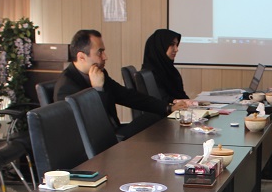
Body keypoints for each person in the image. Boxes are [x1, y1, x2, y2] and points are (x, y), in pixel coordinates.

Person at [54, 29, 188, 139]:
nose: (105, 56)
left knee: (154, 117)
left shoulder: (99, 73)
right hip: (97, 141)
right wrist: (97, 90)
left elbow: (128, 96)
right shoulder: (66, 87)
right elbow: (90, 124)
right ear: (81, 57)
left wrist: (167, 107)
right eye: (100, 52)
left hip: (113, 131)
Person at [141, 28, 188, 103]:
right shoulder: (151, 74)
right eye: (172, 44)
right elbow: (162, 100)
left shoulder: (170, 70)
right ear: (160, 46)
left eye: (176, 45)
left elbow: (181, 96)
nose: (176, 49)